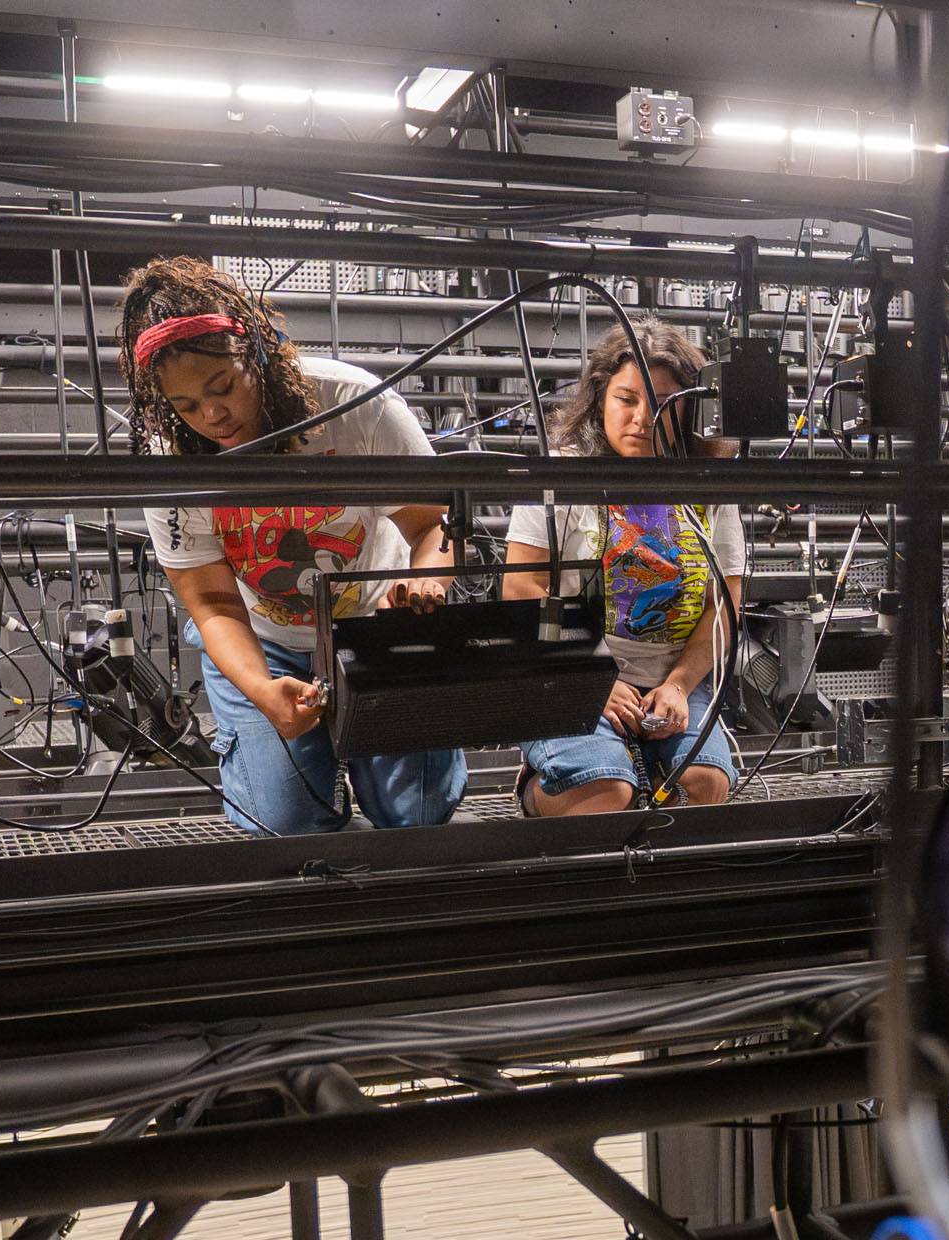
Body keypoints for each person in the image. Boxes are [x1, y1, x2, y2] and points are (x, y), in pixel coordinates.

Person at [119, 256, 467, 835]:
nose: (211, 416)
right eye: (184, 406)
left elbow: (435, 526)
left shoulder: (353, 404)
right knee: (287, 826)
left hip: (376, 628)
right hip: (266, 641)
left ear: (254, 348)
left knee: (418, 815)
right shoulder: (172, 463)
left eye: (223, 387)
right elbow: (213, 605)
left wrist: (427, 582)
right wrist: (259, 689)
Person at [502, 320, 744, 814]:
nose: (642, 417)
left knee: (703, 785)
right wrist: (589, 675)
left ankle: (643, 772)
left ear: (689, 406)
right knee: (604, 793)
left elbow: (725, 603)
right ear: (600, 400)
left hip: (674, 678)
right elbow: (521, 586)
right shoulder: (559, 473)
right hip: (570, 672)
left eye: (661, 403)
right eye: (627, 399)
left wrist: (678, 684)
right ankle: (537, 786)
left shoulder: (709, 486)